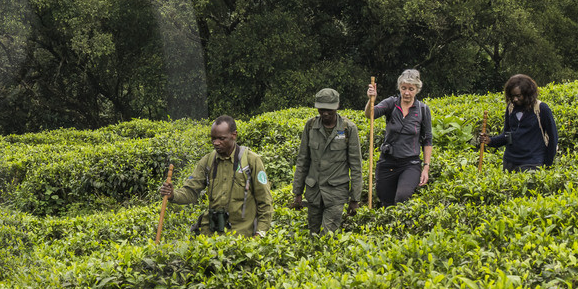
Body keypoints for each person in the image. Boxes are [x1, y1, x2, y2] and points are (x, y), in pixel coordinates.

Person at [160, 116, 274, 236]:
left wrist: (260, 233)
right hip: (211, 236)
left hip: (242, 237)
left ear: (234, 135)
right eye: (213, 139)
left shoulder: (251, 161)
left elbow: (265, 201)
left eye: (221, 138)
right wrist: (173, 195)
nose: (216, 143)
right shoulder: (208, 161)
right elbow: (191, 191)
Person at [290, 87, 362, 233]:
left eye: (329, 109)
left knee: (327, 235)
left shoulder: (349, 128)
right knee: (313, 234)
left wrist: (355, 199)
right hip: (314, 192)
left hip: (336, 193)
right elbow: (303, 160)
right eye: (321, 109)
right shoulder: (310, 126)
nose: (325, 113)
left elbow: (356, 166)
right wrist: (297, 192)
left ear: (337, 107)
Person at [366, 69, 433, 206]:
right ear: (399, 88)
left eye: (411, 89)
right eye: (403, 88)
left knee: (402, 198)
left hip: (410, 164)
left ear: (417, 89)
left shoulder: (422, 109)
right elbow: (370, 114)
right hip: (387, 161)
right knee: (385, 201)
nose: (407, 92)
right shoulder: (391, 103)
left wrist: (426, 167)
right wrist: (370, 100)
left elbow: (427, 139)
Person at [481, 73, 558, 171]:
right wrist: (490, 141)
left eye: (518, 96)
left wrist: (548, 163)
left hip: (532, 163)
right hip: (510, 162)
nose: (515, 99)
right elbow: (507, 135)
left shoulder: (541, 109)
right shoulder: (510, 108)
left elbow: (553, 138)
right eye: (512, 96)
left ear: (527, 93)